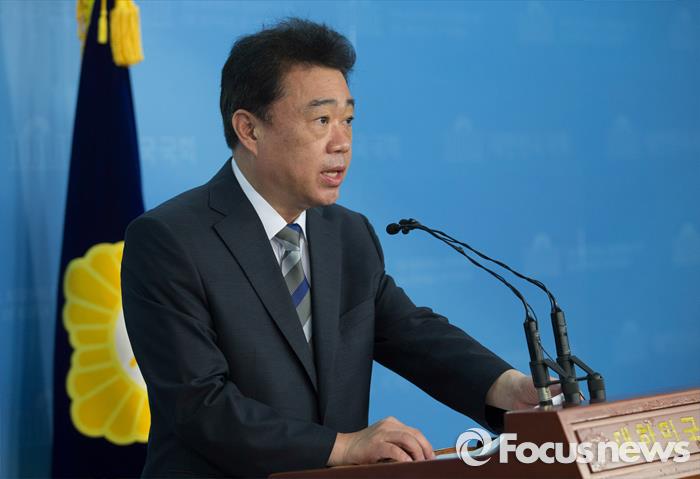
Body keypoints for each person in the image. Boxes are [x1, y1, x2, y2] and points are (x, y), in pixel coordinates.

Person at [121, 18, 551, 478]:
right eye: (321, 120)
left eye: (348, 120)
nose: (342, 142)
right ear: (249, 129)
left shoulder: (348, 234)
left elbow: (413, 335)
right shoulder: (170, 240)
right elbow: (199, 404)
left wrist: (507, 387)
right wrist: (341, 447)